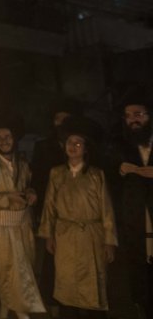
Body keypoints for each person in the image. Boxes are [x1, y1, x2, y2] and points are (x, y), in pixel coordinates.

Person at [39, 116, 117, 318]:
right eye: (69, 143)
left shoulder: (96, 175)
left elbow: (106, 210)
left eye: (78, 143)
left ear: (86, 148)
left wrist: (109, 241)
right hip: (65, 237)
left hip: (92, 237)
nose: (72, 147)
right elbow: (49, 206)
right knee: (67, 286)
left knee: (93, 287)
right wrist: (49, 235)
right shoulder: (56, 174)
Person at [0, 114, 45, 319]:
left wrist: (31, 193)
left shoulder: (22, 163)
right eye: (0, 138)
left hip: (23, 229)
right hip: (1, 230)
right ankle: (23, 315)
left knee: (24, 275)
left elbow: (27, 186)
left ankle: (5, 314)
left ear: (15, 138)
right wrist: (6, 199)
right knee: (7, 277)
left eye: (8, 136)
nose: (4, 141)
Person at [31, 97, 82, 306]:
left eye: (65, 119)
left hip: (78, 211)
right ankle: (55, 301)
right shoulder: (43, 146)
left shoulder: (81, 145)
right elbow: (38, 179)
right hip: (53, 210)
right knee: (54, 256)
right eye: (57, 119)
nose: (61, 123)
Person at [109, 92, 153, 318]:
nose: (133, 120)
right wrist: (120, 170)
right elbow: (109, 179)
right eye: (128, 116)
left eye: (138, 115)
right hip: (135, 223)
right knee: (140, 277)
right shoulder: (120, 146)